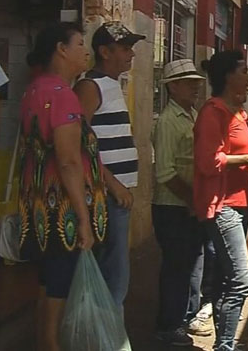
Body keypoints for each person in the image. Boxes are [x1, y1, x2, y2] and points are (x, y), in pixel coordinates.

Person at [18, 22, 107, 351]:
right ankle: (51, 344)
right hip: (62, 211)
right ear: (61, 49)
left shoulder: (34, 90)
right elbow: (69, 160)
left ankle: (46, 340)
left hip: (38, 205)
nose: (87, 51)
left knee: (48, 282)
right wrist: (83, 219)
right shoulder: (62, 95)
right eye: (80, 43)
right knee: (60, 282)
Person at [194, 50, 248, 351]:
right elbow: (207, 162)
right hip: (222, 205)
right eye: (244, 70)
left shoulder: (239, 113)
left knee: (227, 280)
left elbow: (236, 154)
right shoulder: (213, 112)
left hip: (241, 203)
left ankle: (225, 343)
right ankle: (225, 346)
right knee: (242, 281)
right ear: (229, 76)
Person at [73, 21, 144, 305]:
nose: (131, 54)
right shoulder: (90, 87)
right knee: (114, 275)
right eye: (125, 48)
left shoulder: (112, 85)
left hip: (116, 194)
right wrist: (113, 184)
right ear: (104, 51)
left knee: (116, 272)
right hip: (104, 194)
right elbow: (78, 145)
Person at [151, 59, 207, 346]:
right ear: (173, 88)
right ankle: (168, 325)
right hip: (172, 207)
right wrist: (192, 199)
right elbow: (165, 172)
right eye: (188, 82)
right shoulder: (168, 122)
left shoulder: (193, 114)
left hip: (188, 205)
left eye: (196, 81)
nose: (195, 87)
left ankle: (186, 317)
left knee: (192, 262)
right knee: (176, 267)